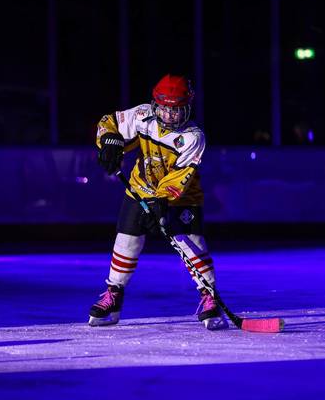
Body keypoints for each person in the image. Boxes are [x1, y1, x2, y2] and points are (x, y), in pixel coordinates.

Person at [88, 74, 227, 330]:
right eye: (165, 109)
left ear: (188, 107)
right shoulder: (142, 116)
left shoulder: (194, 137)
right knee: (126, 240)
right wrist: (108, 143)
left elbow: (181, 176)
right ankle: (114, 295)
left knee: (190, 243)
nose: (170, 116)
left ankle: (209, 296)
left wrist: (161, 200)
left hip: (180, 198)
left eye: (177, 110)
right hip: (140, 189)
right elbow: (109, 123)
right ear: (156, 105)